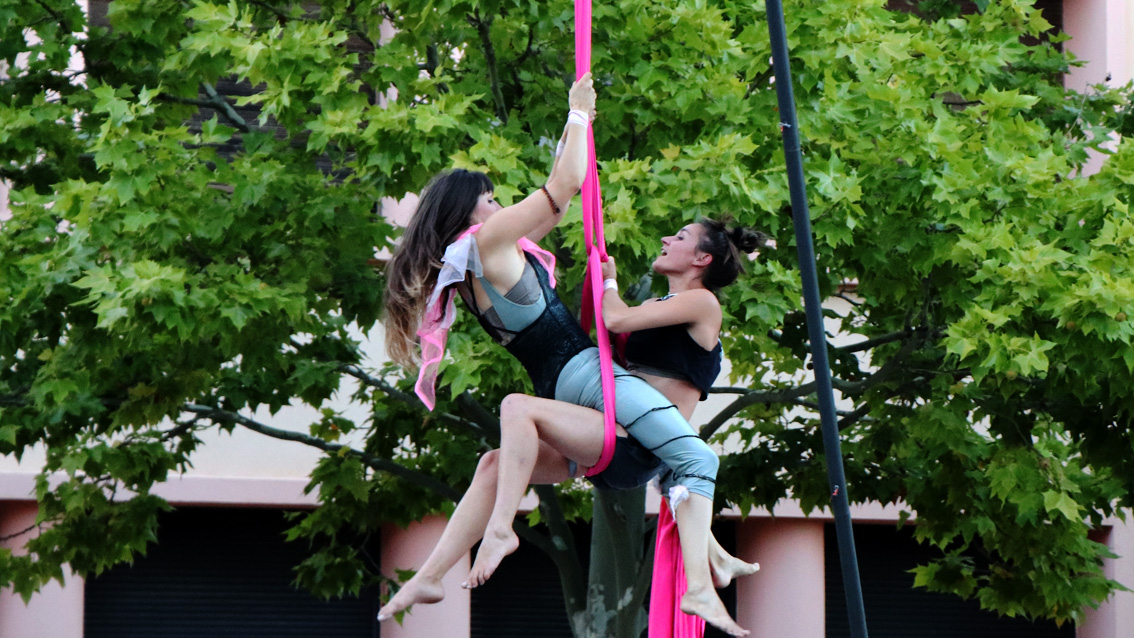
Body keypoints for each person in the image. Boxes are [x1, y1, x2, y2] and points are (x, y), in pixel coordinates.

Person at [381, 73, 751, 635]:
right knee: (685, 457)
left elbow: (553, 207)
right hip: (587, 379)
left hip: (584, 401)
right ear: (469, 209)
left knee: (494, 462)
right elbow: (563, 188)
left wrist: (573, 138)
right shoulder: (484, 241)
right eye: (489, 197)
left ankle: (427, 575)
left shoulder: (466, 266)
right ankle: (505, 528)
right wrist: (579, 112)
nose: (499, 202)